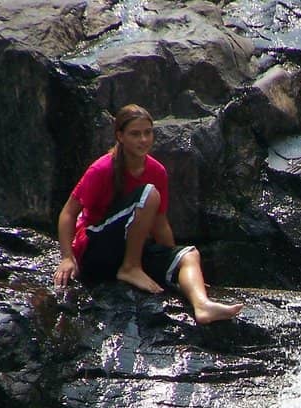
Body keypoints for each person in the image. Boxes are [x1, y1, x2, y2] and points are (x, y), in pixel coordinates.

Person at [53, 104, 243, 325]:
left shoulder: (156, 171)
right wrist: (67, 257)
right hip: (95, 250)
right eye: (135, 134)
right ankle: (131, 268)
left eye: (147, 133)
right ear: (120, 136)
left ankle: (202, 306)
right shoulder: (101, 169)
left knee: (189, 255)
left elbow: (160, 224)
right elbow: (68, 213)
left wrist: (171, 261)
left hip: (126, 251)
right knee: (149, 194)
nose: (143, 140)